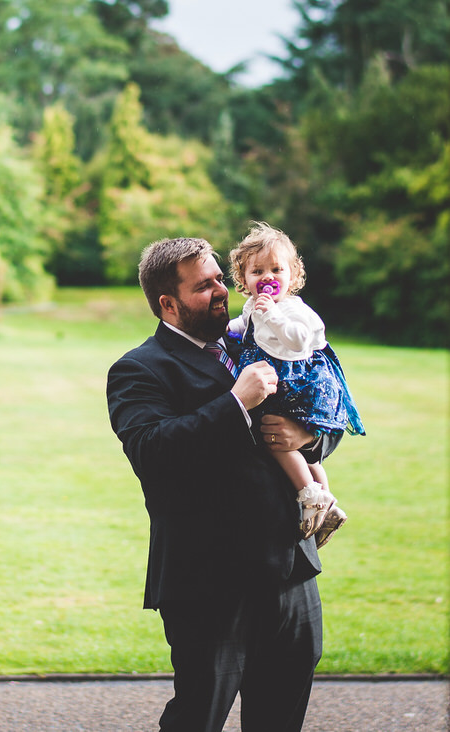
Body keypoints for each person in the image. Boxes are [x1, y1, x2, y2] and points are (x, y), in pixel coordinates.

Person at [106, 236, 340, 732]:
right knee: (198, 717)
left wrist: (309, 435)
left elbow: (325, 406)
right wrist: (236, 402)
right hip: (209, 582)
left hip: (290, 570)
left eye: (218, 279)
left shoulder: (262, 333)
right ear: (168, 304)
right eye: (203, 286)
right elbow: (153, 451)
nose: (220, 291)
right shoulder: (139, 369)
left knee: (280, 717)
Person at [227, 222, 365, 549]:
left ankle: (312, 495)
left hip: (297, 380)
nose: (268, 277)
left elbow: (299, 340)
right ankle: (326, 501)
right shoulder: (253, 306)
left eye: (277, 269)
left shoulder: (293, 308)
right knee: (287, 440)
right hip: (280, 378)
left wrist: (272, 314)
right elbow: (243, 325)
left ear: (293, 274)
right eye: (257, 271)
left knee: (275, 437)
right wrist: (229, 330)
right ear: (243, 279)